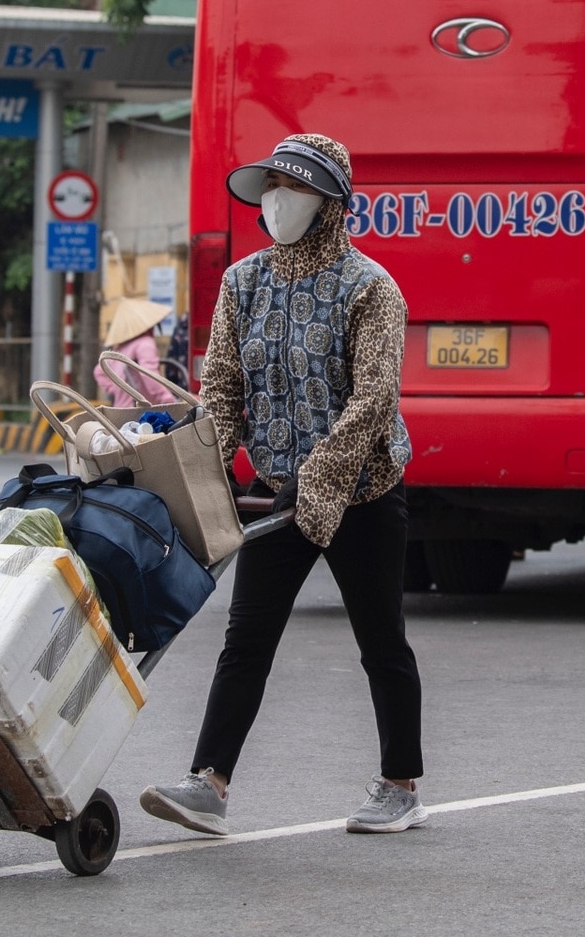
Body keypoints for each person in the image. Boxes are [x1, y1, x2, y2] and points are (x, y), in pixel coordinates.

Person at [140, 134, 426, 837]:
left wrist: (322, 477)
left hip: (361, 488)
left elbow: (373, 399)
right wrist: (190, 472)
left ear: (331, 204)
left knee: (381, 641)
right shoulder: (242, 284)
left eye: (294, 188)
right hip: (278, 490)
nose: (278, 200)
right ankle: (208, 783)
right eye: (271, 185)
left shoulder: (372, 290)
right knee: (246, 638)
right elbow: (224, 392)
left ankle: (400, 783)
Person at [95, 299, 179, 409]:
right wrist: (169, 400)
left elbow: (99, 371)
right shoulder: (145, 344)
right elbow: (149, 375)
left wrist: (118, 389)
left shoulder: (120, 348)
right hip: (141, 411)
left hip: (120, 410)